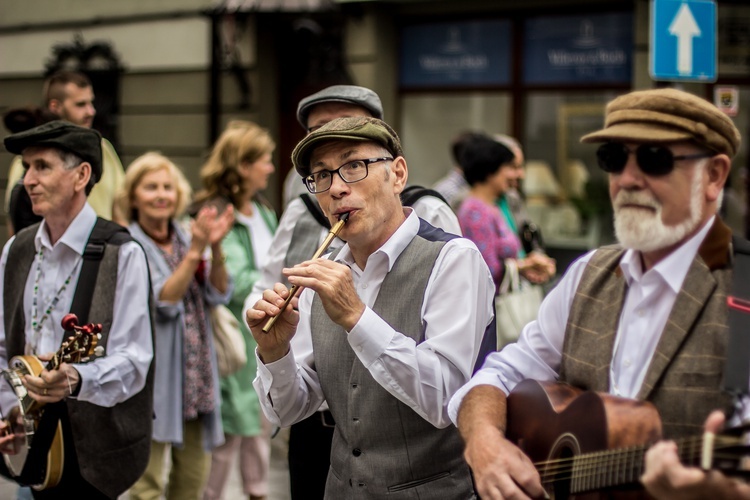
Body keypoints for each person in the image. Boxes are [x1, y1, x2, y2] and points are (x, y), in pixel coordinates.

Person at [448, 87, 747, 500]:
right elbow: (499, 374)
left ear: (714, 175)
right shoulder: (588, 274)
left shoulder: (743, 291)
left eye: (654, 159)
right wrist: (483, 442)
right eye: (613, 159)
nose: (627, 179)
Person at [247, 116, 495, 498]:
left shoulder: (453, 259)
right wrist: (275, 352)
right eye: (322, 176)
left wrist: (356, 317)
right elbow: (290, 410)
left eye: (353, 166)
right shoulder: (325, 271)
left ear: (397, 175)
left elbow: (445, 399)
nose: (337, 189)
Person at [0, 120, 154, 498]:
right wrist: (9, 409)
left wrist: (76, 378)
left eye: (42, 166)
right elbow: (2, 346)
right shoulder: (16, 250)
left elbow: (135, 359)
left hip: (97, 455)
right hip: (31, 442)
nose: (28, 180)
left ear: (81, 174)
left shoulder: (123, 253)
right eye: (26, 167)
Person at [120, 153, 234, 500]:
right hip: (152, 380)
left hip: (195, 376)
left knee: (191, 481)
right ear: (134, 195)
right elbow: (164, 301)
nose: (161, 195)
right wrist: (196, 249)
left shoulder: (186, 237)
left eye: (168, 187)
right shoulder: (128, 243)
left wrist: (213, 246)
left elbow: (218, 292)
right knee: (147, 485)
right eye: (151, 187)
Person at [196, 121, 278, 500]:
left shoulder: (262, 211)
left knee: (260, 426)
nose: (271, 168)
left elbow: (277, 262)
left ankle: (258, 493)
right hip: (230, 337)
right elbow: (235, 282)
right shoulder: (214, 212)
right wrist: (281, 287)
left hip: (264, 329)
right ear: (243, 166)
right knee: (228, 433)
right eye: (265, 160)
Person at [4, 70, 126, 230]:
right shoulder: (29, 158)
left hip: (104, 248)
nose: (91, 111)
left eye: (91, 103)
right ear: (55, 107)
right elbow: (14, 220)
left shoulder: (104, 149)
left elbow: (121, 208)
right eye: (80, 104)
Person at [456, 133, 555, 293]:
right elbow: (488, 269)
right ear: (490, 170)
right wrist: (526, 265)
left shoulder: (493, 205)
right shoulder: (475, 212)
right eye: (509, 167)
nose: (516, 175)